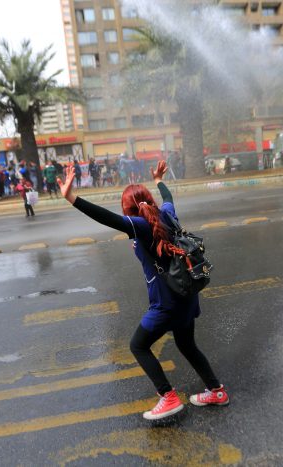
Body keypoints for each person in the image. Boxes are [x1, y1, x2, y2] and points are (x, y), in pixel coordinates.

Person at [57, 160, 228, 420]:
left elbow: (106, 218)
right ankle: (216, 391)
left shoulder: (141, 225)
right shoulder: (167, 214)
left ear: (128, 210)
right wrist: (158, 179)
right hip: (187, 296)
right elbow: (168, 197)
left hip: (166, 304)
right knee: (187, 345)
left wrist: (71, 198)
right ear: (149, 199)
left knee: (138, 345)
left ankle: (168, 397)